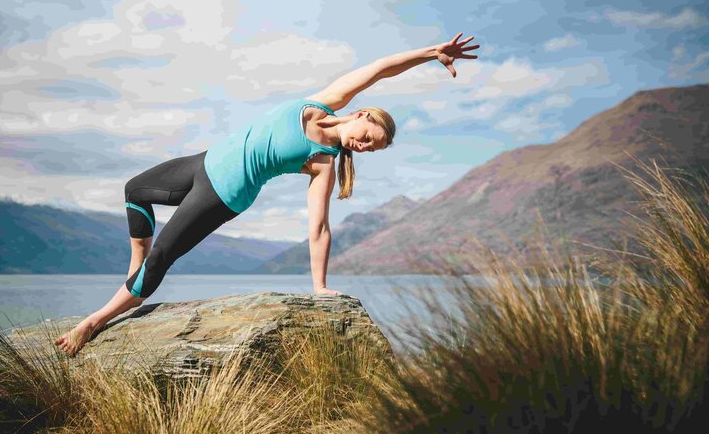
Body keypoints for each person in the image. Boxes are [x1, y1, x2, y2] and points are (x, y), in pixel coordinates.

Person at [55, 32, 479, 356]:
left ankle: (93, 322)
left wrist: (320, 286)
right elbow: (380, 67)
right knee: (135, 190)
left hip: (224, 193)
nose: (363, 146)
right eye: (368, 137)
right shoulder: (325, 102)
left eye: (371, 148)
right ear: (362, 115)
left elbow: (319, 228)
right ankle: (134, 267)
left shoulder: (323, 161)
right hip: (204, 162)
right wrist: (428, 54)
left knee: (162, 257)